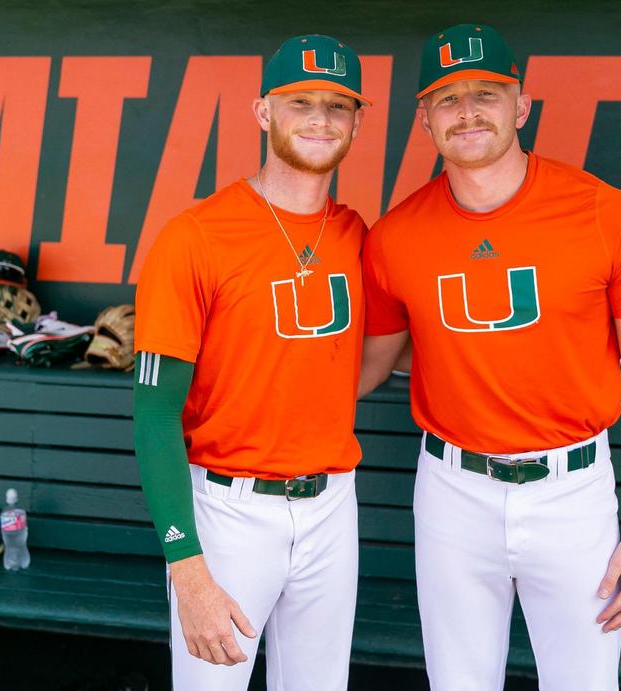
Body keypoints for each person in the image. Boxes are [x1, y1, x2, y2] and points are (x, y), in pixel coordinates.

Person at [359, 23, 621, 690]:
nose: (466, 112)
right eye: (446, 99)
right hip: (452, 489)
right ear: (423, 119)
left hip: (574, 491)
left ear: (521, 106)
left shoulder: (606, 214)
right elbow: (368, 367)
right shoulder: (394, 237)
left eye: (486, 93)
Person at [133, 34, 370, 691]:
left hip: (330, 504)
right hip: (229, 510)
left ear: (358, 121)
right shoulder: (195, 237)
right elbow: (154, 416)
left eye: (336, 105)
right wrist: (187, 564)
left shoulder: (356, 236)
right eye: (300, 102)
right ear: (264, 112)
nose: (320, 118)